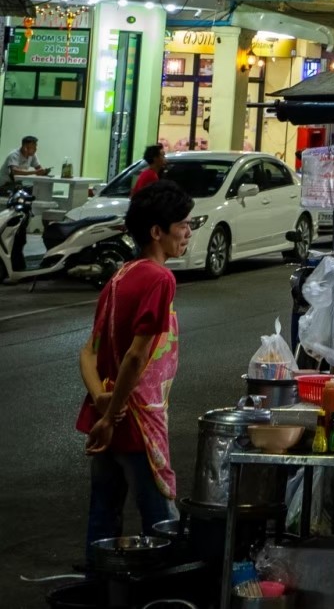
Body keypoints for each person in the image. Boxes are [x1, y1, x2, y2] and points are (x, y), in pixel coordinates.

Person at [77, 178, 193, 555]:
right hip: (137, 421)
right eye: (182, 226)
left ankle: (100, 588)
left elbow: (87, 354)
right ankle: (163, 594)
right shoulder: (161, 279)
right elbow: (136, 356)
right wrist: (111, 414)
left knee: (103, 516)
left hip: (108, 418)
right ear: (157, 232)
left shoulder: (119, 277)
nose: (188, 233)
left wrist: (101, 402)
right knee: (161, 517)